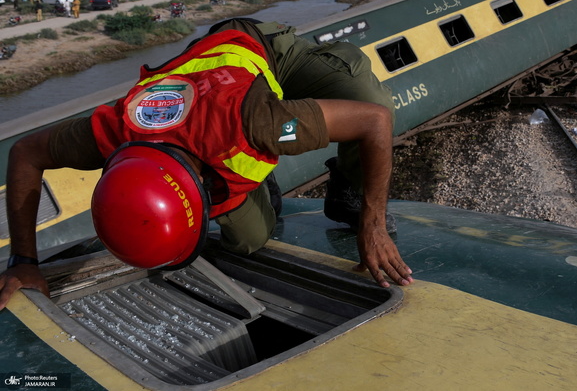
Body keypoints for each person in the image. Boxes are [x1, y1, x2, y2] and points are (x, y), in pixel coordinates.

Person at [0, 18, 413, 311]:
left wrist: (372, 224)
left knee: (371, 98)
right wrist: (24, 262)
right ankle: (256, 187)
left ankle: (348, 193)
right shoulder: (114, 130)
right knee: (250, 240)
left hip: (258, 49)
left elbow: (374, 123)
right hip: (201, 91)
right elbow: (25, 153)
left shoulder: (256, 124)